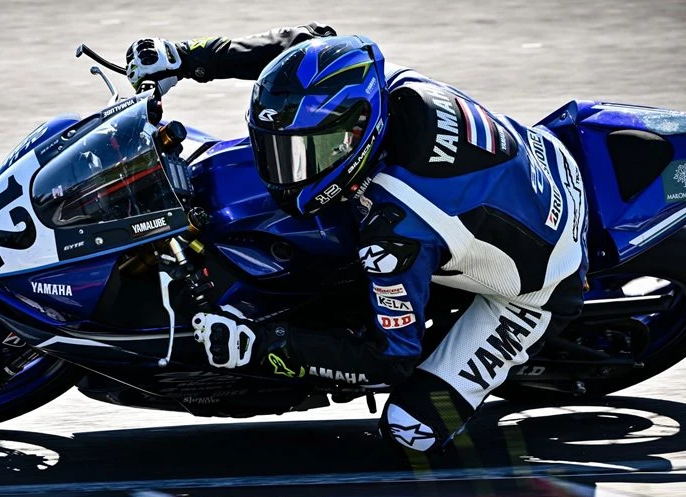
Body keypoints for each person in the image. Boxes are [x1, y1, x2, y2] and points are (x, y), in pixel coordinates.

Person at [125, 25, 588, 453]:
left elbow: (390, 359)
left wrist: (265, 341)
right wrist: (188, 57)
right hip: (537, 158)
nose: (281, 170)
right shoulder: (374, 80)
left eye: (302, 153)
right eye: (275, 149)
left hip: (540, 282)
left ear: (355, 135)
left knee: (411, 431)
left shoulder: (395, 227)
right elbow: (307, 47)